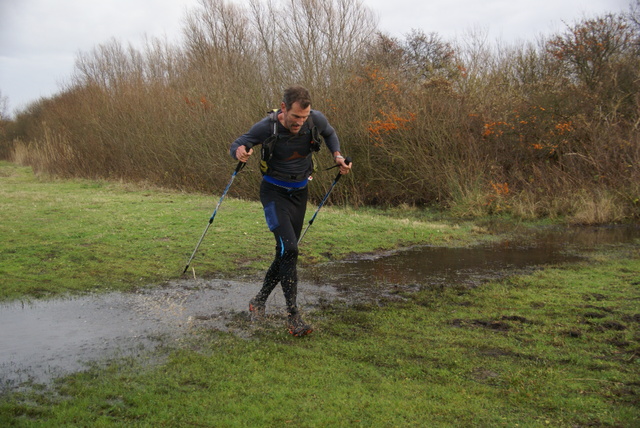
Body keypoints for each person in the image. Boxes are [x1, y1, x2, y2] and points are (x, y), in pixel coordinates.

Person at [229, 85, 351, 337]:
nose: (300, 122)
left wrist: (337, 156)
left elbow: (329, 133)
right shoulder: (268, 126)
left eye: (304, 118)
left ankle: (259, 300)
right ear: (284, 108)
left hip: (299, 193)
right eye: (296, 117)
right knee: (291, 249)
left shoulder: (315, 119)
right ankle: (293, 315)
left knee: (286, 252)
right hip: (274, 194)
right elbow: (240, 143)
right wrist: (239, 152)